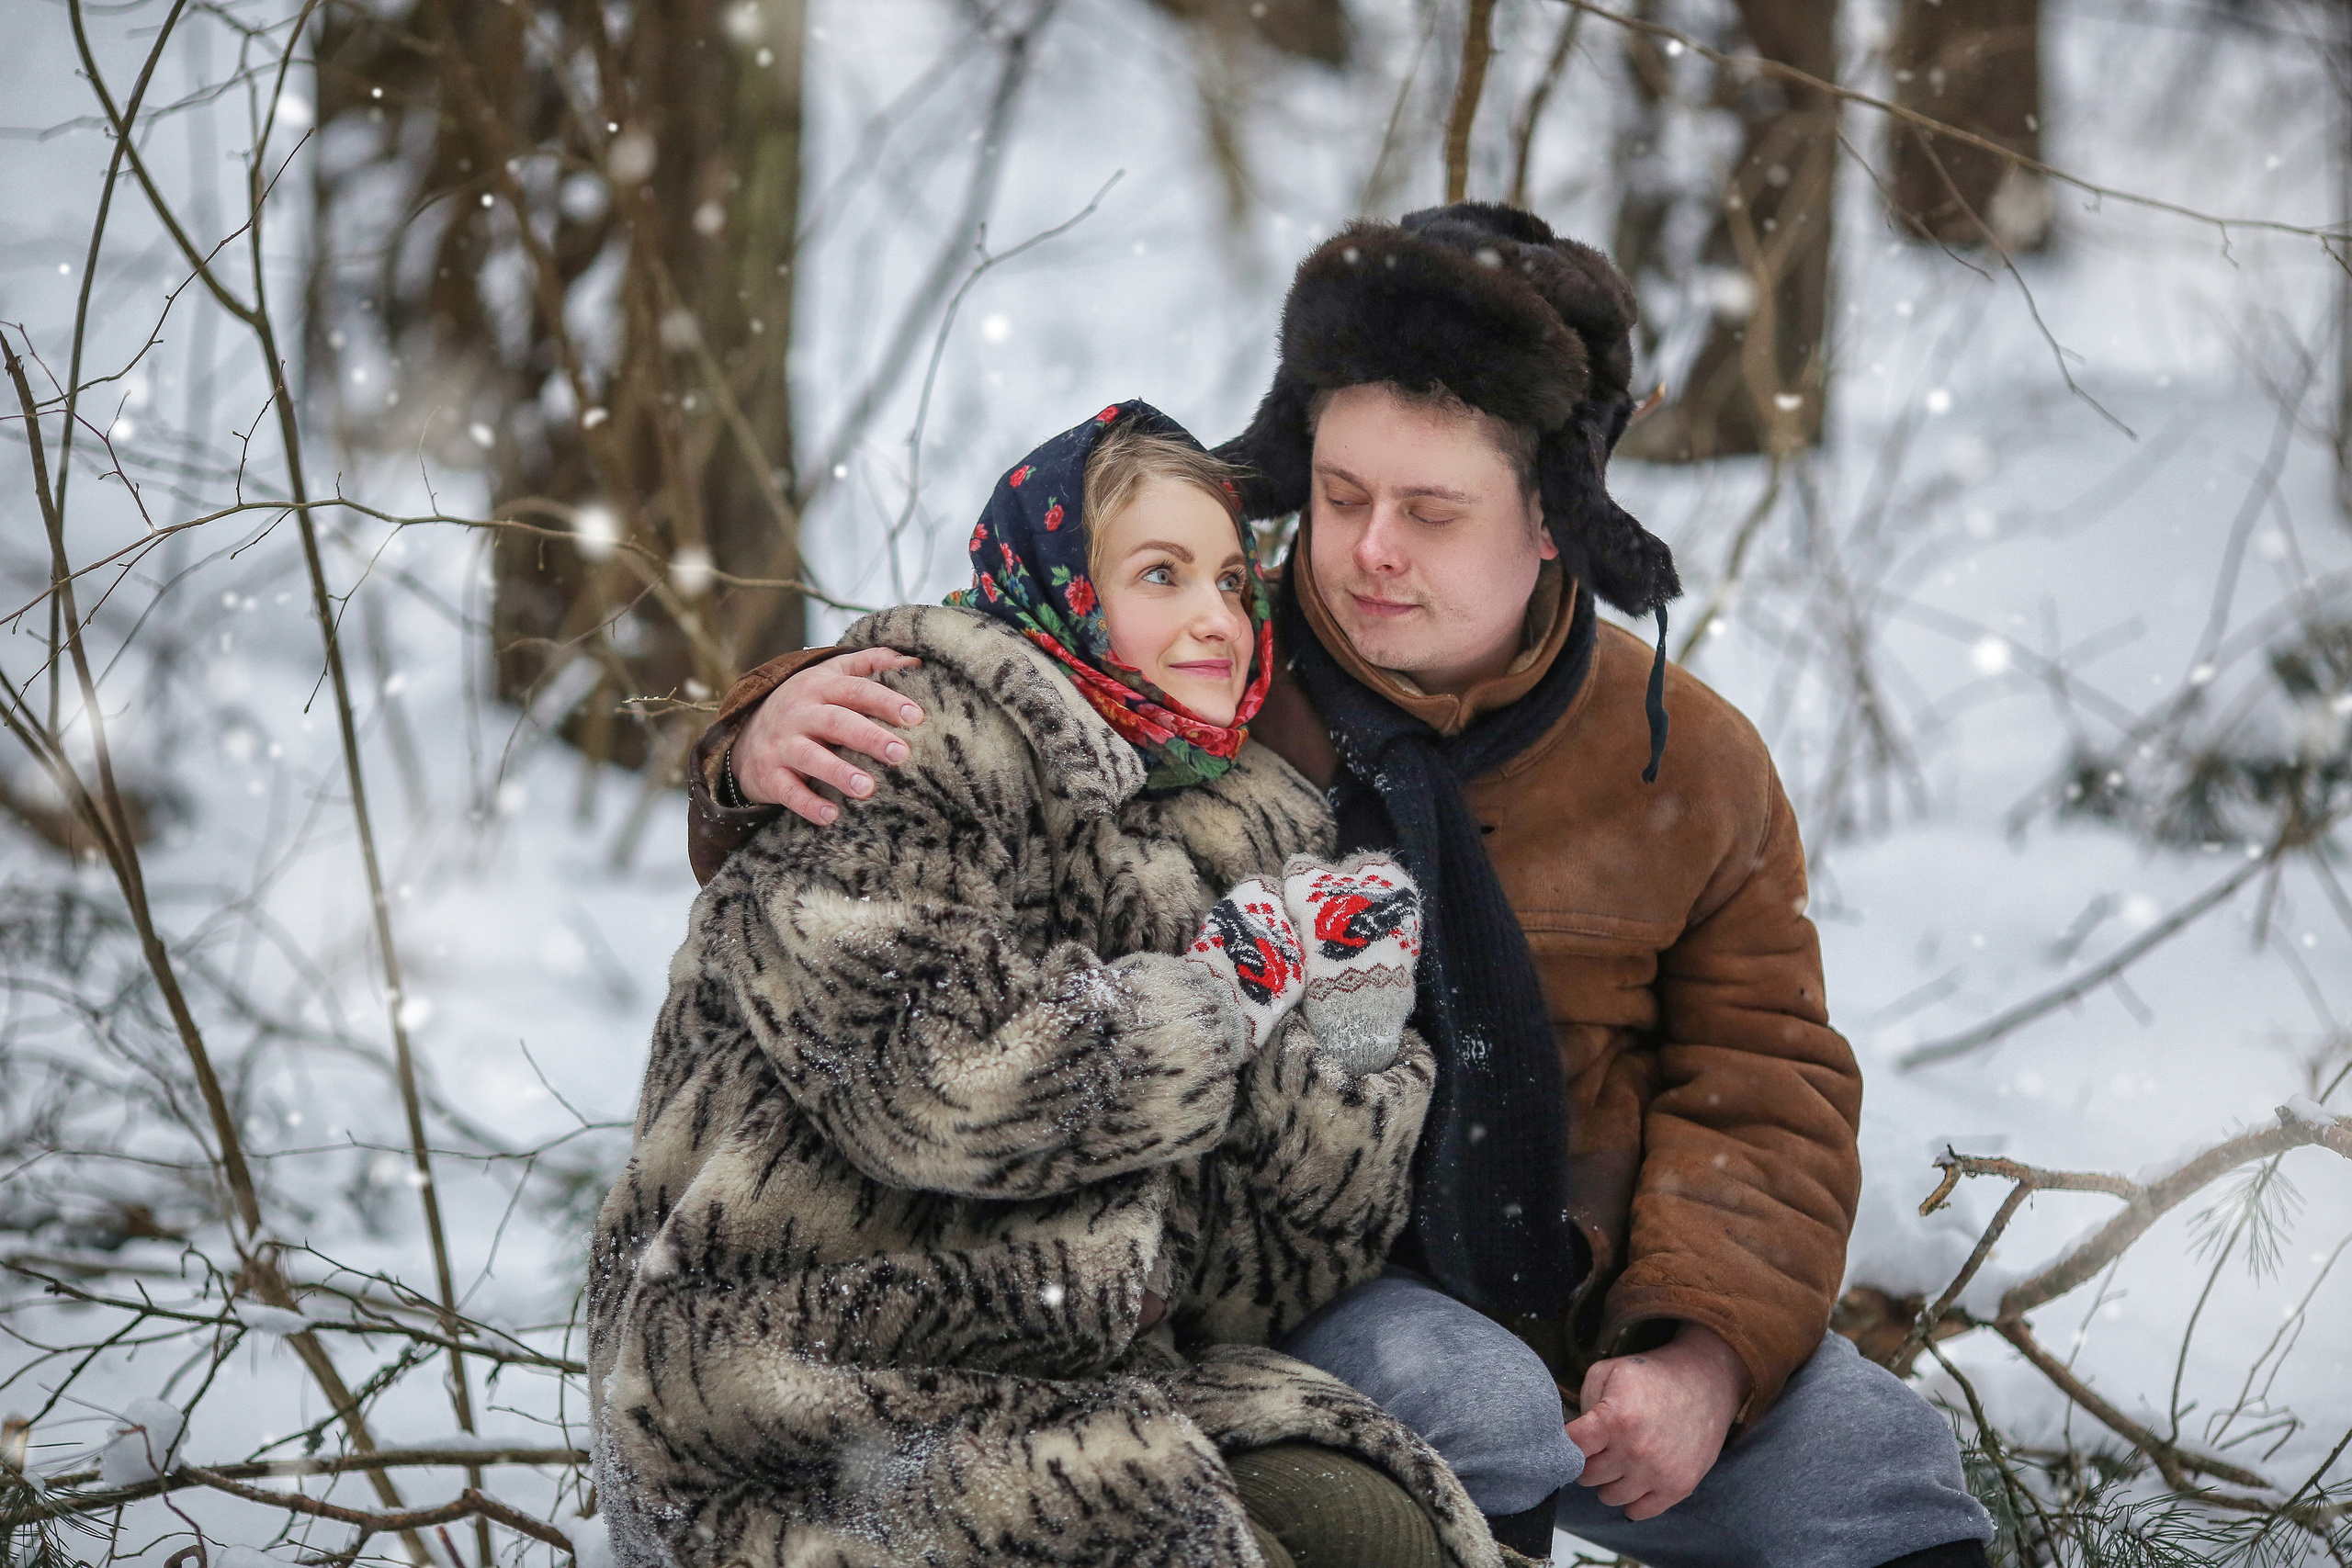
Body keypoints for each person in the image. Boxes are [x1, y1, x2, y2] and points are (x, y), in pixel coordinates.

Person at [687, 206, 1997, 1568]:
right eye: (1341, 493)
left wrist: (1704, 1350)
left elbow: (1765, 1075)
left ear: (1553, 517)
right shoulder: (1199, 661)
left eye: (1432, 512)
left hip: (1602, 1289)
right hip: (1318, 1280)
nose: (1370, 548)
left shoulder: (1692, 763)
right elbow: (982, 699)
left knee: (1880, 1475)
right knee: (1467, 1410)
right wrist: (753, 740)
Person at [588, 401, 1510, 1568]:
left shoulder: (1252, 819)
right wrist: (1218, 999)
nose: (1215, 618)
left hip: (1081, 1375)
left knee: (1383, 1535)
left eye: (1232, 582)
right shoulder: (908, 739)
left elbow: (1263, 1277)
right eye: (1161, 574)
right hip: (799, 1372)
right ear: (1061, 582)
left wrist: (1352, 1032)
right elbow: (936, 1089)